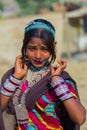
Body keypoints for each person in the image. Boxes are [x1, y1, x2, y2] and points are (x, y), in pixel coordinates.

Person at [0, 18, 86, 130]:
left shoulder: (60, 78)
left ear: (53, 46)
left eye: (45, 49)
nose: (38, 55)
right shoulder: (13, 75)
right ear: (24, 45)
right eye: (32, 48)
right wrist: (15, 78)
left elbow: (80, 118)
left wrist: (56, 81)